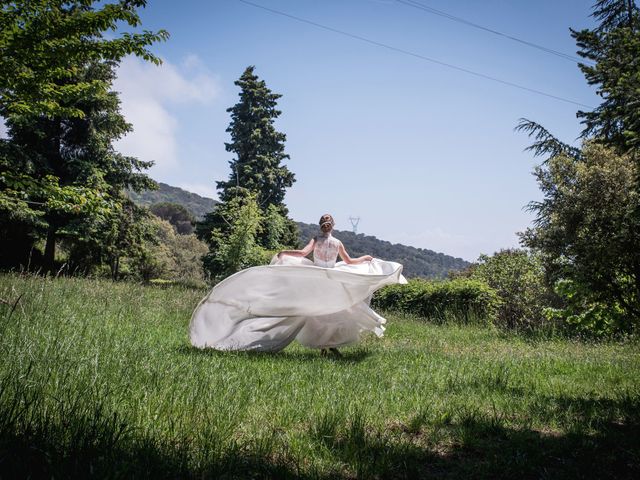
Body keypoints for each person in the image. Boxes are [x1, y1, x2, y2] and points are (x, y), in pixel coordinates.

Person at [189, 213, 406, 354]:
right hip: (332, 278)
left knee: (316, 311)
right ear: (332, 226)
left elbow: (302, 253)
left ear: (321, 226)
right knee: (331, 312)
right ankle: (328, 347)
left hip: (317, 278)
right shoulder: (337, 242)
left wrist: (284, 253)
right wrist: (365, 258)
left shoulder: (317, 239)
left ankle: (326, 347)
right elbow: (349, 261)